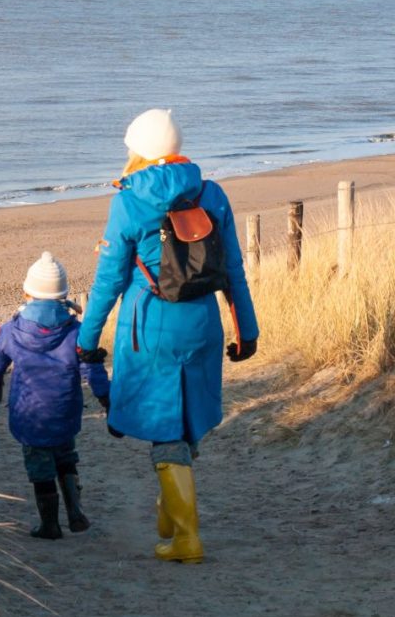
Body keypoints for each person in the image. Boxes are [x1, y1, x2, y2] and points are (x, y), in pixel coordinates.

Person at [77, 109, 259, 564]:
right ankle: (169, 515)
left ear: (139, 150)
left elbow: (108, 281)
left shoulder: (128, 201)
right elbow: (233, 268)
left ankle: (186, 538)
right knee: (187, 420)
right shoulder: (211, 193)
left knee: (165, 431)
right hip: (202, 322)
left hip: (150, 327)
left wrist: (87, 338)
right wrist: (247, 330)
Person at [0, 251, 110, 539]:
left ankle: (50, 525)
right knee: (66, 456)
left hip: (30, 414)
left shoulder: (13, 330)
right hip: (64, 410)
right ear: (62, 296)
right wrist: (106, 398)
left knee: (40, 465)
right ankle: (75, 512)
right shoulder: (76, 331)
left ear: (27, 292)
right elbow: (92, 368)